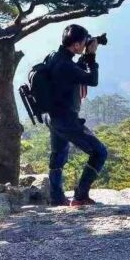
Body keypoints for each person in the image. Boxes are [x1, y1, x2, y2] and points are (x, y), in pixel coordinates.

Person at [45, 24, 109, 207]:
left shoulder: (54, 57)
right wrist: (91, 56)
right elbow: (92, 80)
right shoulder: (65, 65)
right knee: (99, 152)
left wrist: (85, 55)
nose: (84, 45)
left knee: (58, 155)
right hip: (66, 120)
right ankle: (80, 196)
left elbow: (73, 73)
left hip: (52, 117)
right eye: (83, 43)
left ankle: (56, 198)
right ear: (75, 46)